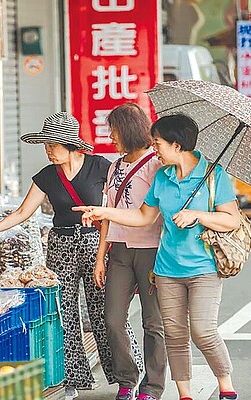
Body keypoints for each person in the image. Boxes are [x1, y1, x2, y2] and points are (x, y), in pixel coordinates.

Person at [0, 111, 143, 399]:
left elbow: (119, 204)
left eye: (53, 145)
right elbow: (23, 212)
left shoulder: (101, 166)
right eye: (46, 146)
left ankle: (128, 376)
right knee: (65, 314)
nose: (49, 151)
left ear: (70, 144)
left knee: (107, 312)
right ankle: (71, 379)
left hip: (94, 244)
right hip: (60, 245)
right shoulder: (47, 176)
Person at [75, 113, 241, 400]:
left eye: (158, 144)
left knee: (202, 330)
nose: (154, 150)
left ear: (176, 145)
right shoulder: (162, 176)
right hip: (166, 268)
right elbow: (142, 216)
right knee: (175, 336)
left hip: (203, 267)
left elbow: (232, 220)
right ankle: (184, 394)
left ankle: (225, 383)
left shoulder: (214, 175)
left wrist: (197, 215)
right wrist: (104, 212)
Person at [95, 103, 167, 400]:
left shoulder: (157, 165)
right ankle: (127, 378)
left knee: (153, 323)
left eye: (113, 130)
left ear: (126, 129)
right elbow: (108, 213)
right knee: (113, 318)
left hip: (151, 250)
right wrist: (101, 257)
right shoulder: (114, 166)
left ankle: (152, 387)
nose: (110, 136)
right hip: (120, 251)